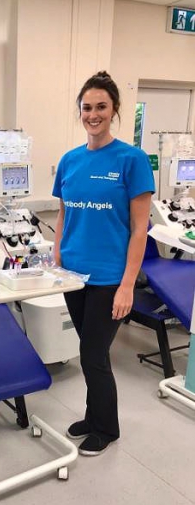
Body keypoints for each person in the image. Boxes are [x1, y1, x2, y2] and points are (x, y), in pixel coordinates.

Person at [52, 71, 155, 456]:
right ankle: (92, 416)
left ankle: (107, 428)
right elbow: (64, 212)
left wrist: (128, 285)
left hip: (110, 277)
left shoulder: (132, 160)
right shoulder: (70, 160)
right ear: (80, 112)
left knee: (93, 355)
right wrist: (57, 253)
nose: (93, 114)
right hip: (72, 275)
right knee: (89, 351)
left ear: (114, 111)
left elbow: (140, 230)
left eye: (101, 107)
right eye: (87, 108)